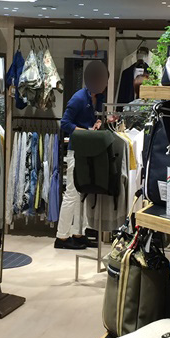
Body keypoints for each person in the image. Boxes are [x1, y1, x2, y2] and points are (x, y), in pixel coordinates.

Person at [56, 60, 109, 250]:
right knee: (71, 193)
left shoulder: (98, 98)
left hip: (86, 150)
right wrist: (85, 131)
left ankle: (78, 233)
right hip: (76, 150)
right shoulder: (79, 98)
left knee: (81, 193)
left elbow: (91, 121)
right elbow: (64, 123)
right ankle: (61, 237)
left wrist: (98, 124)